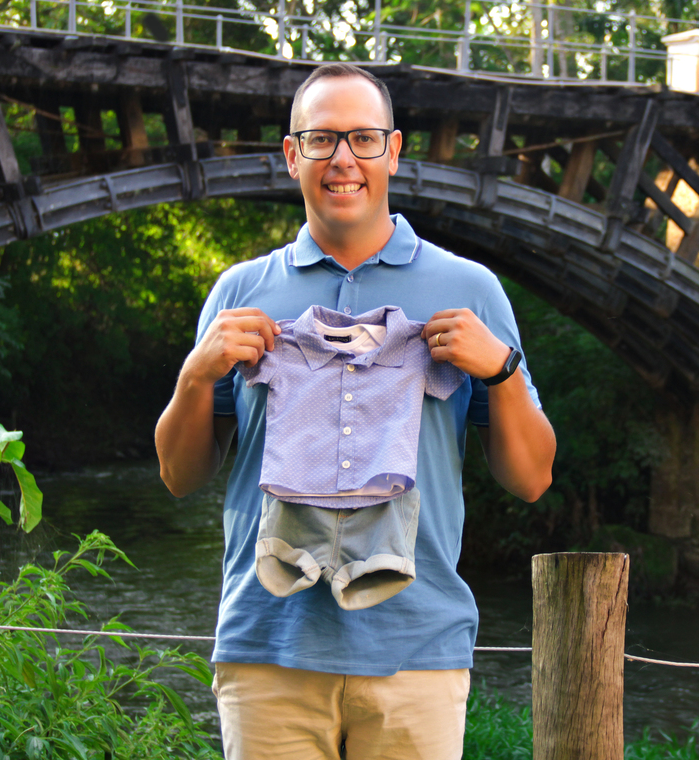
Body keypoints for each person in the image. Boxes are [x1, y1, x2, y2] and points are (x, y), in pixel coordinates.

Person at [154, 62, 556, 760]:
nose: (343, 160)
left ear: (393, 151)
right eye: (321, 140)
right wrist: (196, 377)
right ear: (292, 155)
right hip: (266, 649)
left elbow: (531, 480)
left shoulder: (470, 290)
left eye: (363, 139)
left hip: (417, 655)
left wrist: (502, 370)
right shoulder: (240, 292)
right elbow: (179, 476)